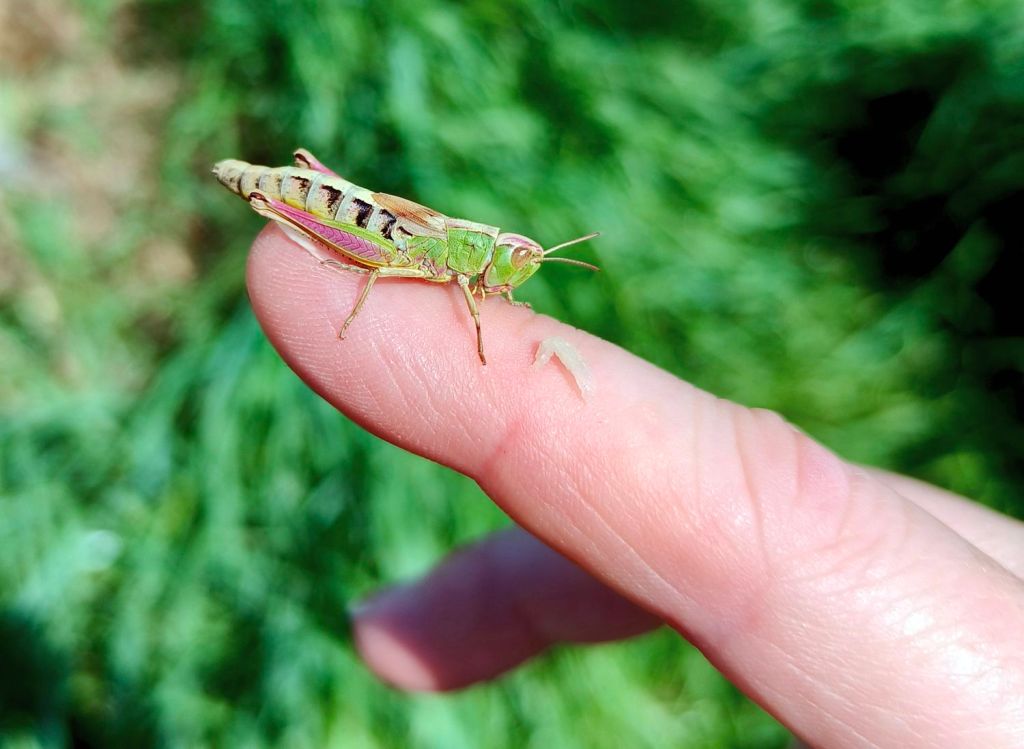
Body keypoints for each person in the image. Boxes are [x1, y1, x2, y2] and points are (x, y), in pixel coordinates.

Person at [247, 225, 1024, 748]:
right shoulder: (451, 253)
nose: (515, 275)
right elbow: (464, 311)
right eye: (515, 262)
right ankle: (291, 198)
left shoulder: (481, 265)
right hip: (356, 224)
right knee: (340, 236)